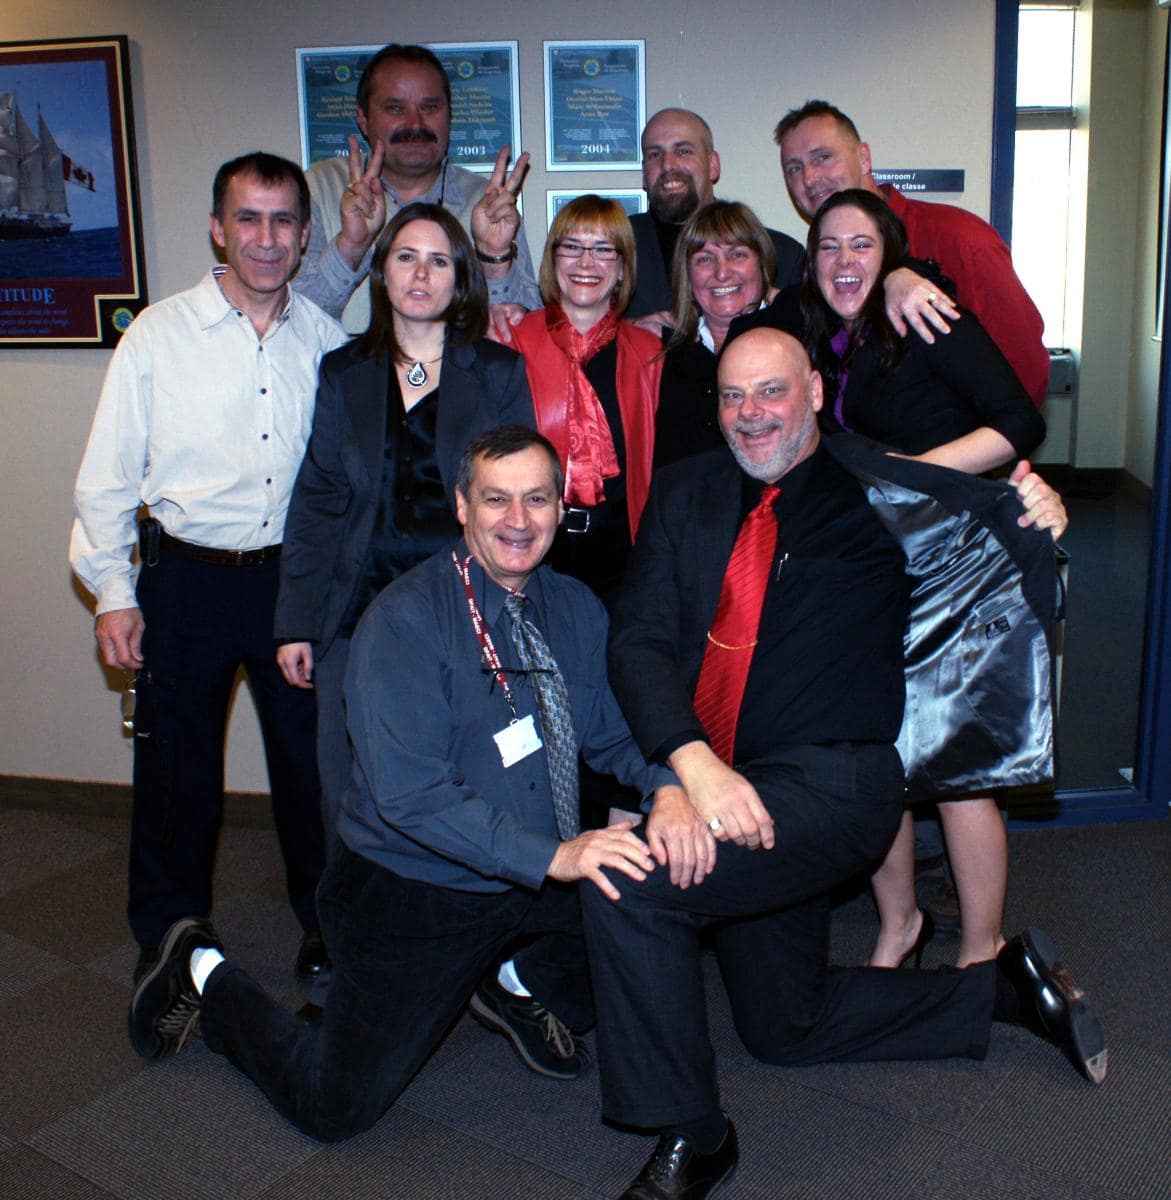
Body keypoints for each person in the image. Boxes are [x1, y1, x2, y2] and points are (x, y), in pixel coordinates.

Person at [586, 328, 1103, 1200]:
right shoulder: (683, 491)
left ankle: (694, 1135)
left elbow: (994, 530)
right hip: (720, 777)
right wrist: (686, 768)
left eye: (771, 392)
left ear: (815, 393)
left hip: (832, 788)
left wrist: (1039, 512)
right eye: (732, 396)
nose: (750, 414)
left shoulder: (879, 490)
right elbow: (636, 639)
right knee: (782, 1028)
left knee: (628, 884)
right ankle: (1000, 993)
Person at [127, 425, 683, 1143]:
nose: (518, 520)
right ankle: (200, 972)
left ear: (559, 506)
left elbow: (612, 732)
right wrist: (556, 857)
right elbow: (413, 798)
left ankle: (513, 985)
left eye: (537, 499)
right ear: (461, 506)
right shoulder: (405, 621)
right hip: (415, 890)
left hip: (534, 872)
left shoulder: (575, 608)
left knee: (654, 884)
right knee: (331, 1105)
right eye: (497, 499)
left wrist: (668, 786)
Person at [70, 152, 348, 986]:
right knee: (175, 771)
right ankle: (172, 935)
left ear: (305, 234)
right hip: (185, 582)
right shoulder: (157, 336)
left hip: (291, 585)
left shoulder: (327, 343)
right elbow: (107, 477)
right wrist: (113, 593)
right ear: (218, 228)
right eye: (248, 219)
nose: (266, 238)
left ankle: (327, 926)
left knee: (313, 768)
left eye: (283, 220)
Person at [800, 187, 1047, 970]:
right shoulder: (827, 338)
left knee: (959, 767)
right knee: (883, 752)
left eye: (861, 245)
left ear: (890, 257)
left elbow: (1020, 421)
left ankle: (979, 950)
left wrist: (913, 476)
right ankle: (899, 923)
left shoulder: (924, 315)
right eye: (828, 246)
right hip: (885, 570)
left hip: (960, 562)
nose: (843, 261)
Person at [275, 202, 534, 860]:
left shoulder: (498, 373)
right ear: (382, 273)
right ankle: (345, 909)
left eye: (439, 260)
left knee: (463, 780)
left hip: (462, 614)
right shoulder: (344, 373)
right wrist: (297, 623)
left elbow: (519, 508)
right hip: (355, 615)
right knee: (346, 782)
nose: (421, 274)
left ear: (460, 278)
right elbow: (318, 503)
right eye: (406, 257)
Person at [775, 99, 1049, 405]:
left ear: (864, 158)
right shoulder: (821, 265)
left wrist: (969, 437)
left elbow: (1026, 371)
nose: (809, 179)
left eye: (823, 157)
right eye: (794, 169)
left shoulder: (958, 239)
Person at [293, 43, 540, 335]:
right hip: (345, 364)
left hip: (457, 364)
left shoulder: (488, 202)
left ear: (449, 115)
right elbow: (292, 324)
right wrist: (351, 247)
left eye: (429, 107)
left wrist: (493, 257)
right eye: (395, 108)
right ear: (363, 119)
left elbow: (526, 334)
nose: (415, 123)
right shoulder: (319, 187)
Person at [508, 195, 663, 610]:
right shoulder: (513, 343)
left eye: (603, 249)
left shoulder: (651, 355)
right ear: (553, 258)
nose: (586, 262)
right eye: (572, 246)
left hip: (623, 559)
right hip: (532, 552)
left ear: (623, 267)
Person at [628, 108, 803, 326]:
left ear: (713, 165)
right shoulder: (611, 249)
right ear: (644, 173)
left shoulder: (783, 255)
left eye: (683, 151)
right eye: (655, 155)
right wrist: (629, 332)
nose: (668, 165)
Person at [654, 200, 780, 469]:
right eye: (705, 259)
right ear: (687, 276)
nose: (722, 273)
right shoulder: (662, 358)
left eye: (737, 255)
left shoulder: (797, 340)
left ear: (762, 264)